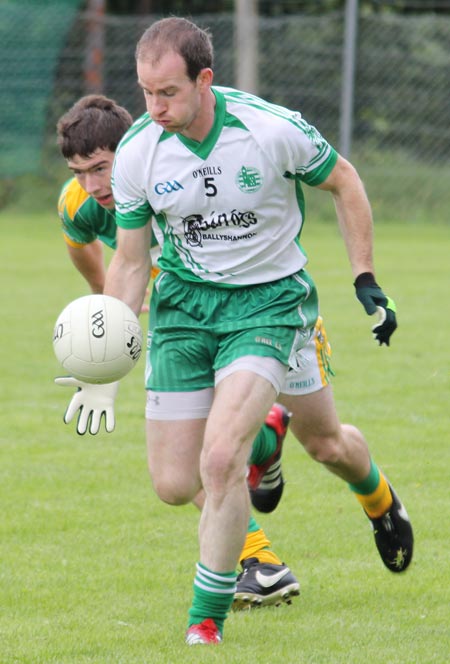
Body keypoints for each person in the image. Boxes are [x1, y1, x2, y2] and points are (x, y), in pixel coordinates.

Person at [62, 17, 413, 646]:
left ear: (204, 79)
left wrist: (365, 277)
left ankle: (209, 620)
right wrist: (101, 368)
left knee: (301, 447)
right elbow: (133, 261)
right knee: (175, 483)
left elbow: (345, 180)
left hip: (270, 305)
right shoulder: (140, 150)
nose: (154, 107)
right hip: (187, 310)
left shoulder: (269, 129)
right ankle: (264, 444)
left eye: (168, 92)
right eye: (145, 92)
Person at [54, 93, 300, 610]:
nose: (92, 185)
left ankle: (258, 555)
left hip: (244, 308)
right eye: (79, 172)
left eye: (100, 168)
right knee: (179, 466)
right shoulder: (80, 204)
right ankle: (263, 477)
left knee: (258, 445)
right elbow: (83, 246)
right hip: (178, 321)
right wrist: (117, 314)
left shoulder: (174, 173)